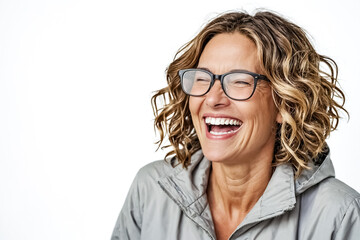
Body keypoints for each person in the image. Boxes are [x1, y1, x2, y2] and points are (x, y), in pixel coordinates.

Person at [111, 10, 360, 240]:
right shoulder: (150, 190)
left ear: (286, 104)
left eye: (239, 81)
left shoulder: (340, 216)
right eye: (202, 78)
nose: (212, 98)